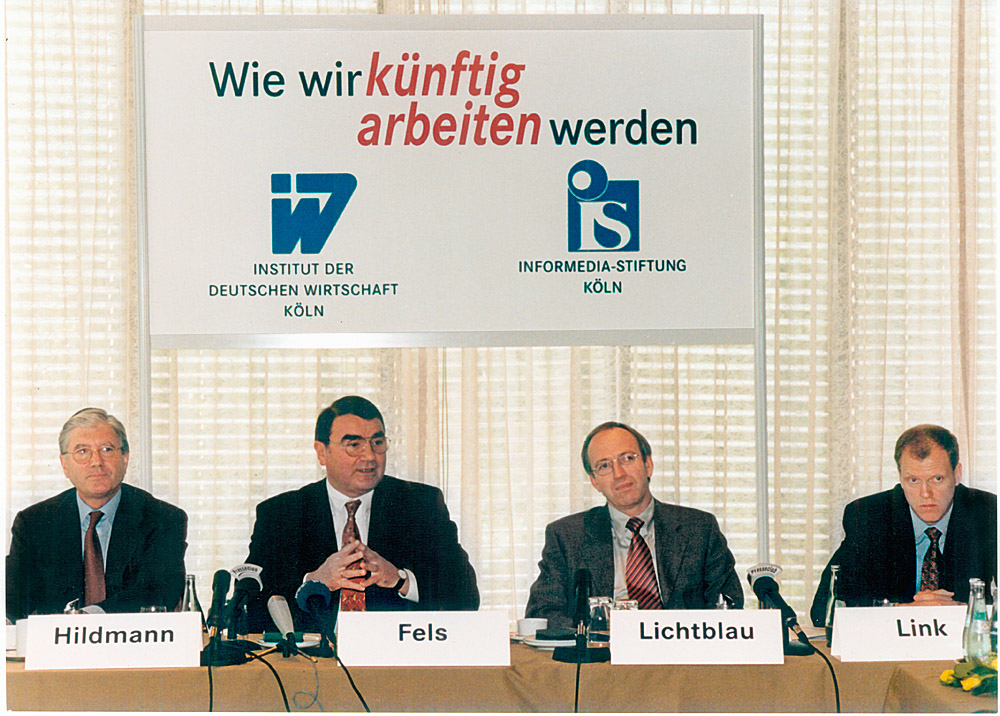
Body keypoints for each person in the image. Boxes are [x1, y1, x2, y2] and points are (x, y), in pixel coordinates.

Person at [246, 395, 479, 632]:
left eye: (377, 442)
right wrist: (314, 581)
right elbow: (251, 610)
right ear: (322, 452)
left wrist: (399, 579)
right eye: (354, 445)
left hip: (395, 648)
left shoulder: (421, 504)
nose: (369, 456)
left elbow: (466, 596)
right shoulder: (282, 514)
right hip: (312, 652)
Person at [525, 421, 743, 628]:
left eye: (628, 458)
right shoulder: (567, 536)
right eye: (604, 466)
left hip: (681, 649)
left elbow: (728, 606)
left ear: (648, 465)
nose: (619, 474)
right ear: (594, 481)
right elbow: (543, 614)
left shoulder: (699, 529)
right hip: (603, 652)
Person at [6, 408, 188, 621]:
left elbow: (159, 591)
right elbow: (14, 598)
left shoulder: (163, 519)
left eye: (107, 449)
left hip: (133, 639)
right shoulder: (35, 523)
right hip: (57, 641)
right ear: (65, 465)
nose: (96, 461)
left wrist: (89, 617)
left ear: (125, 458)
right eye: (82, 451)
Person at [810, 424, 996, 623]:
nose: (925, 493)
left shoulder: (989, 513)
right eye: (913, 480)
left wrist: (963, 611)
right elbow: (823, 611)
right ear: (900, 477)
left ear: (957, 474)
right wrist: (901, 611)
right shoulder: (869, 516)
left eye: (937, 479)